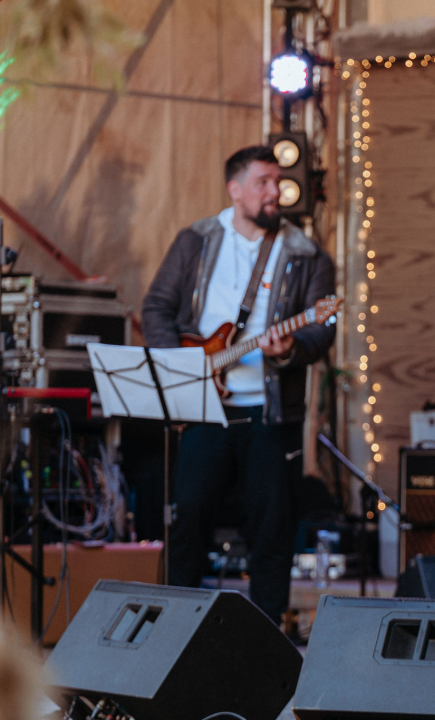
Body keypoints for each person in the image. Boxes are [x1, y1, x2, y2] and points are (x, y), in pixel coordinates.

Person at [142, 145, 335, 623]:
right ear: (235, 189)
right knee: (187, 520)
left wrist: (288, 350)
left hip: (269, 415)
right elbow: (156, 308)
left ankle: (268, 638)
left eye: (278, 182)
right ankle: (175, 632)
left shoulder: (307, 254)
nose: (276, 192)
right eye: (263, 183)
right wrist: (185, 367)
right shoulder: (195, 240)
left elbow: (320, 329)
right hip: (205, 408)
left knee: (272, 531)